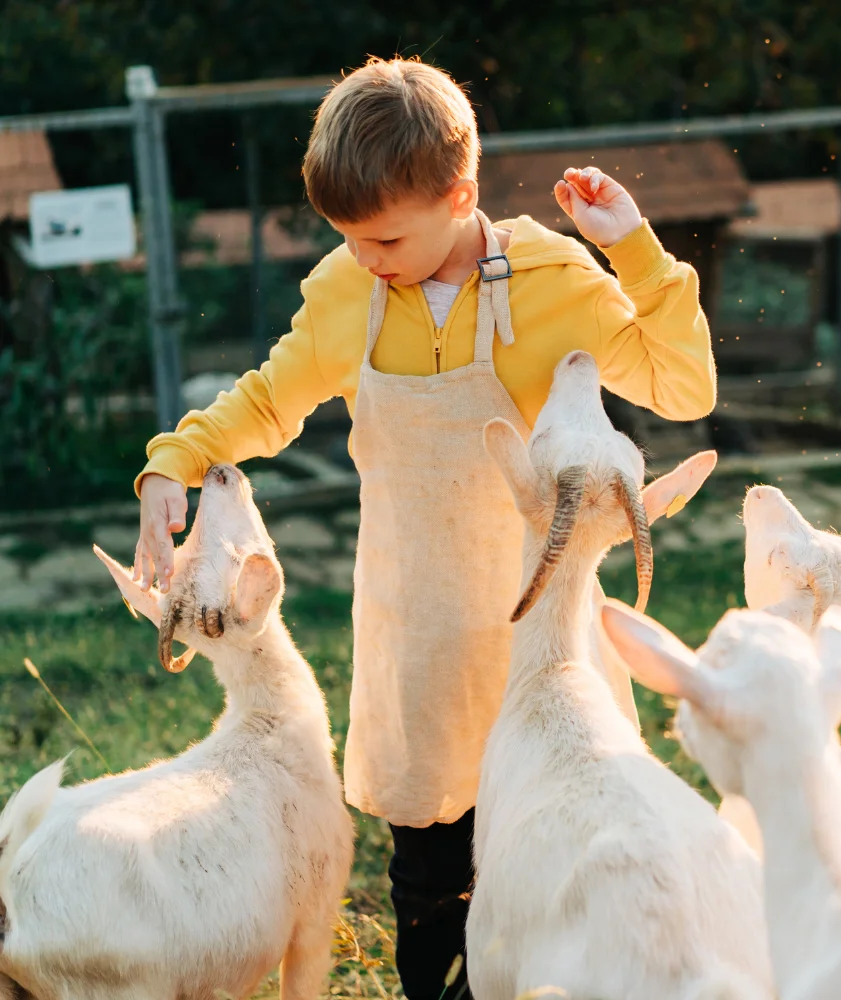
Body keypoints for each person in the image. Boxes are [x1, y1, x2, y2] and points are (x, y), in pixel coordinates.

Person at [130, 56, 716, 1000]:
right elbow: (269, 399)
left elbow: (683, 385)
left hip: (541, 640)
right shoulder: (345, 292)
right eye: (349, 239)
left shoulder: (554, 281)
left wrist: (636, 252)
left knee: (552, 862)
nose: (367, 258)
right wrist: (176, 461)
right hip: (417, 640)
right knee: (430, 886)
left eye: (385, 239)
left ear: (460, 197)